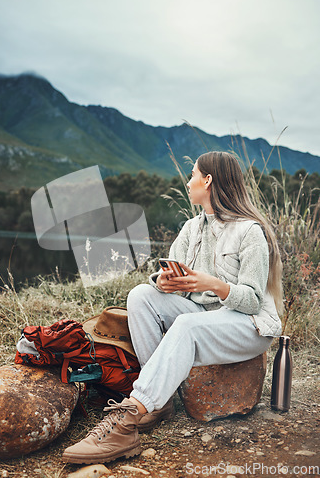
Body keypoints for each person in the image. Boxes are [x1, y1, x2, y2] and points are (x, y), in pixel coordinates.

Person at [63, 151, 283, 465]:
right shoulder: (191, 228)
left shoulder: (250, 232)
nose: (188, 181)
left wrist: (211, 284)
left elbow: (250, 301)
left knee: (186, 327)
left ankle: (127, 421)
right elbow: (168, 276)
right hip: (205, 317)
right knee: (140, 295)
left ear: (208, 181)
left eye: (193, 174)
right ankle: (158, 401)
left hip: (248, 326)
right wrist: (163, 283)